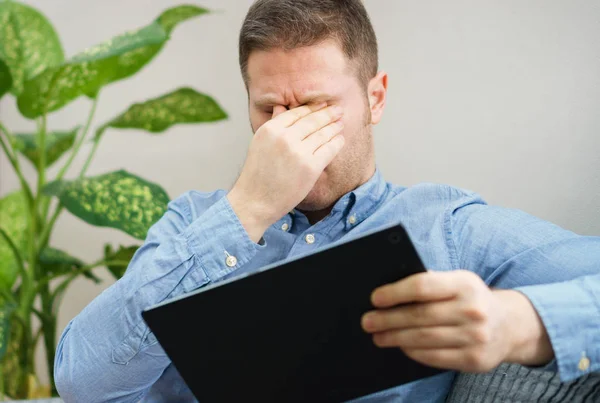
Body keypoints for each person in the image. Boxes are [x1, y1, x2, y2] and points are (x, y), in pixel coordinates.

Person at [54, 0, 600, 401]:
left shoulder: (443, 227)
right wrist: (245, 211)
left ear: (374, 98)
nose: (290, 132)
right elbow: (81, 380)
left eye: (316, 106)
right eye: (270, 111)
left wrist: (522, 321)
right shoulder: (191, 225)